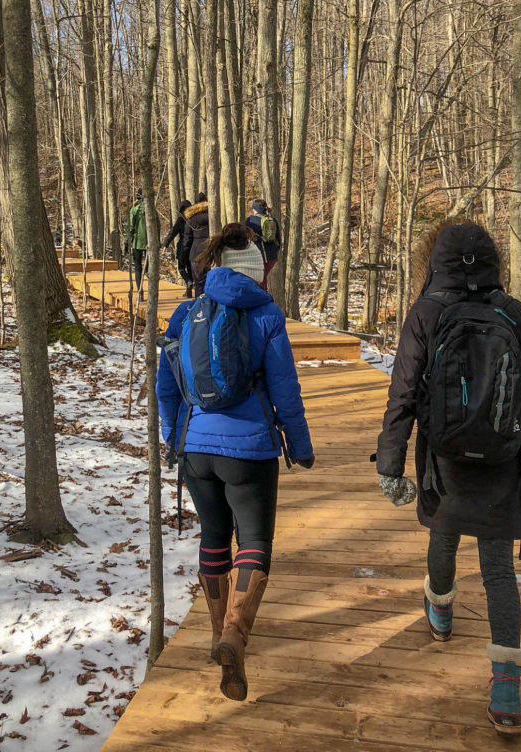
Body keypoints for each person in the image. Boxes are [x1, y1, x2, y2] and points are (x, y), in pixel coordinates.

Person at [374, 221, 521, 737]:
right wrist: (510, 432)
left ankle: (441, 611)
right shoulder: (513, 314)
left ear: (437, 262)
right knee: (496, 569)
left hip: (443, 458)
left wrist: (390, 464)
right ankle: (507, 689)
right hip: (500, 461)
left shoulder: (427, 312)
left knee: (443, 539)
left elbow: (402, 391)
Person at [156, 223, 314, 702]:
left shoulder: (185, 314)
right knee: (255, 541)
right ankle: (234, 636)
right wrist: (300, 445)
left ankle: (215, 634)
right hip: (250, 451)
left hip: (196, 451)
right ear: (256, 272)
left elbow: (166, 387)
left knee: (213, 538)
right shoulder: (267, 315)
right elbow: (285, 391)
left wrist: (174, 438)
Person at [245, 199, 281, 291]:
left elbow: (244, 239)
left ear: (254, 209)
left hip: (258, 255)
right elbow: (278, 240)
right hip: (272, 256)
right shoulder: (273, 220)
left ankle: (264, 301)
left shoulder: (250, 221)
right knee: (262, 279)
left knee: (261, 282)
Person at [162, 199, 193, 297]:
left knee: (181, 268)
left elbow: (173, 232)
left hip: (183, 247)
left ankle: (188, 282)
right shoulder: (193, 220)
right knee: (190, 268)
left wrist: (165, 244)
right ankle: (189, 291)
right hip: (192, 247)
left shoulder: (181, 220)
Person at [181, 192, 210, 296]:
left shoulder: (191, 219)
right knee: (210, 283)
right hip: (210, 252)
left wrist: (183, 256)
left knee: (198, 284)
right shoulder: (213, 216)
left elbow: (187, 240)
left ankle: (199, 308)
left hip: (195, 253)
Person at [127, 189, 148, 291]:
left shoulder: (134, 210)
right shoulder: (151, 210)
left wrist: (127, 241)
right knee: (149, 267)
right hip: (149, 243)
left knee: (138, 268)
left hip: (137, 243)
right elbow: (157, 225)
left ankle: (140, 292)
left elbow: (131, 227)